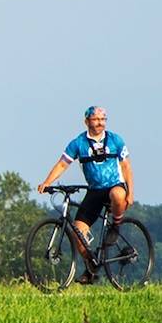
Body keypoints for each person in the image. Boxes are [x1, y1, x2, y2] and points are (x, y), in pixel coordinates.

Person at [36, 105, 132, 255]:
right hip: (94, 191)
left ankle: (116, 225)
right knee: (77, 233)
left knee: (117, 195)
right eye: (96, 119)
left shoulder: (115, 140)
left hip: (115, 185)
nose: (100, 123)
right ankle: (91, 266)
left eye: (103, 119)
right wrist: (47, 182)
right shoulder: (78, 143)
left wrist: (130, 192)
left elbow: (126, 166)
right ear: (86, 121)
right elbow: (62, 164)